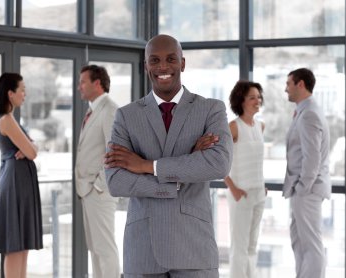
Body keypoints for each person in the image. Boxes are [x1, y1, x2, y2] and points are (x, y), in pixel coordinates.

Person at [104, 34, 232, 278]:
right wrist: (184, 171)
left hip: (194, 248)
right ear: (145, 66)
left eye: (170, 59)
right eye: (155, 60)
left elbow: (218, 164)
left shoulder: (211, 109)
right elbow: (115, 182)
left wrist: (145, 165)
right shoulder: (126, 116)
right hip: (143, 250)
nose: (163, 67)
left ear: (182, 63)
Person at [0, 73, 43, 278]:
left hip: (19, 180)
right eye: (22, 89)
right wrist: (31, 147)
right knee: (15, 243)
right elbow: (31, 151)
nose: (25, 93)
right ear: (10, 94)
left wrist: (32, 146)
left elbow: (33, 148)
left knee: (22, 242)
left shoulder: (10, 119)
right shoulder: (6, 120)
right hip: (15, 181)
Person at [283, 68, 331, 278]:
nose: (286, 89)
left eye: (288, 84)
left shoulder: (309, 113)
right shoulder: (305, 110)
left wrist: (302, 188)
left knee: (311, 244)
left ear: (300, 84)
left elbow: (312, 157)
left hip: (307, 190)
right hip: (303, 189)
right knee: (300, 242)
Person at [75, 65, 120, 278]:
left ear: (97, 83)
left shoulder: (109, 109)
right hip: (88, 191)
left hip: (99, 191)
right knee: (95, 250)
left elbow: (115, 151)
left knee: (105, 250)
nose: (79, 87)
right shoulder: (92, 109)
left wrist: (99, 186)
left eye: (83, 82)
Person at [224, 80, 266, 278]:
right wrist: (233, 188)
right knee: (239, 248)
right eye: (252, 97)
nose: (257, 100)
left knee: (252, 247)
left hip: (259, 193)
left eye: (258, 96)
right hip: (240, 194)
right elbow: (218, 161)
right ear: (241, 101)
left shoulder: (261, 126)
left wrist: (262, 186)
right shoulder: (233, 127)